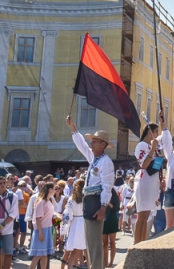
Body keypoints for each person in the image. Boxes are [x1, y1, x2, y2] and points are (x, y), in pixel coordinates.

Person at [66, 115, 114, 269]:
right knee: (90, 240)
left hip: (96, 200)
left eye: (94, 141)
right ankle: (94, 266)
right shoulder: (94, 158)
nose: (91, 144)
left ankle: (96, 267)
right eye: (92, 141)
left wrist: (103, 206)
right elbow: (82, 146)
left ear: (103, 144)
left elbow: (107, 185)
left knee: (94, 241)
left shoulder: (106, 162)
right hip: (89, 200)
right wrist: (73, 128)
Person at [133, 113, 165, 244]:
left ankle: (142, 242)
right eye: (156, 132)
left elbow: (157, 165)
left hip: (152, 183)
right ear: (149, 132)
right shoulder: (141, 146)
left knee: (146, 216)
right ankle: (136, 244)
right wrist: (152, 150)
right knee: (142, 216)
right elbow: (144, 164)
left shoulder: (155, 147)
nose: (157, 134)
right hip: (144, 182)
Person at [29, 183, 55, 269]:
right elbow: (38, 218)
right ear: (50, 189)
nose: (55, 190)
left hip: (48, 229)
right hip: (41, 229)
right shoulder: (41, 202)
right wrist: (40, 233)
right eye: (54, 188)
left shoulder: (49, 201)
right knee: (38, 255)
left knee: (45, 255)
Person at [63, 179, 87, 269]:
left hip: (75, 223)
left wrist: (69, 221)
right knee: (85, 248)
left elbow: (67, 213)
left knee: (74, 249)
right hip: (84, 222)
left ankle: (71, 266)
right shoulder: (86, 197)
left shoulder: (71, 198)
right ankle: (85, 264)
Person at [102, 189, 119, 268]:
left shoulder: (115, 196)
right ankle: (106, 262)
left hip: (112, 219)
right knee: (104, 243)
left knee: (112, 242)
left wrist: (108, 202)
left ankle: (111, 262)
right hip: (104, 220)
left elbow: (116, 208)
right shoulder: (101, 195)